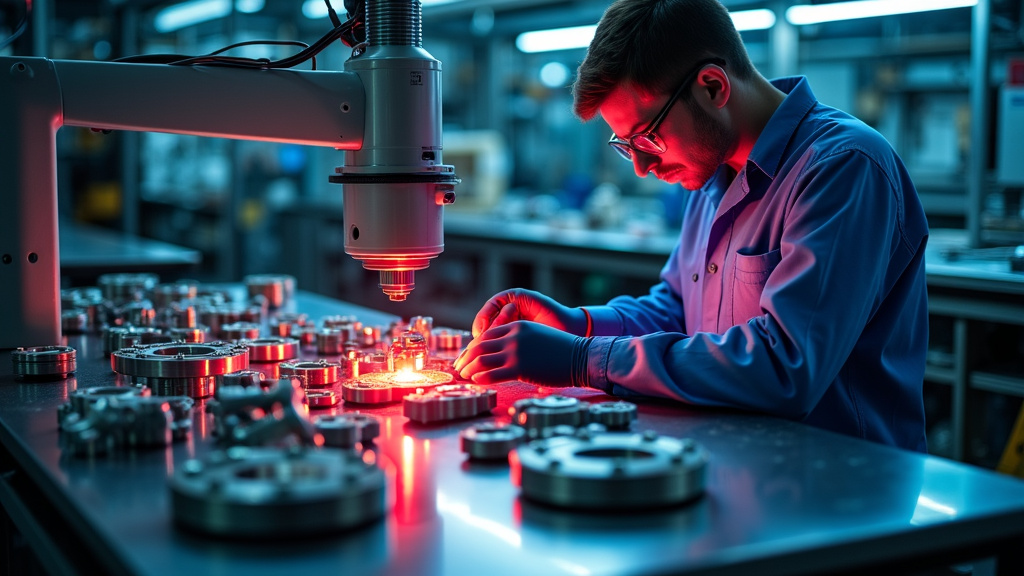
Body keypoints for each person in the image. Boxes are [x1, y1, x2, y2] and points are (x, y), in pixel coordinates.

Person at [453, 0, 929, 452]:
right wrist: (577, 323)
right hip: (737, 461)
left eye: (647, 137)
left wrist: (582, 359)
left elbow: (786, 367)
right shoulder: (712, 175)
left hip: (845, 489)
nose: (640, 167)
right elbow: (679, 310)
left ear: (713, 87)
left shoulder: (843, 166)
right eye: (626, 145)